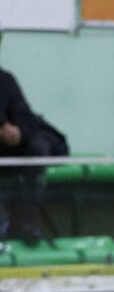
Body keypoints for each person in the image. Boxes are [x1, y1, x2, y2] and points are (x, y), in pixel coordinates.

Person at [0, 66, 69, 242]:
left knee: (39, 147)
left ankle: (24, 222)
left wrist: (18, 133)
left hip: (9, 154)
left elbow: (25, 117)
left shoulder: (5, 79)